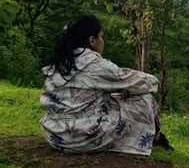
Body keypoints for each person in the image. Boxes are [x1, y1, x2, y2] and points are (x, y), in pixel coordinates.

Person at [39, 14, 173, 156]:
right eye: (101, 37)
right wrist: (155, 80)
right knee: (145, 97)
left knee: (111, 98)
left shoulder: (61, 62)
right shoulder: (94, 65)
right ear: (92, 40)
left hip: (55, 136)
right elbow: (136, 81)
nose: (103, 41)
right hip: (82, 138)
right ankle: (157, 138)